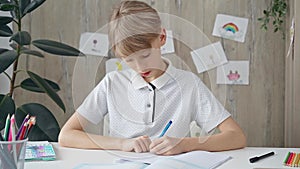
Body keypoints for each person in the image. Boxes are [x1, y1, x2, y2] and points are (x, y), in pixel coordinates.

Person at [58, 0, 246, 155]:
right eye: (129, 60)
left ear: (161, 37)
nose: (140, 67)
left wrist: (185, 144)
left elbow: (236, 136)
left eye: (145, 55)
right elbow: (66, 135)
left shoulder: (189, 84)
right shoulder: (112, 83)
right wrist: (121, 144)